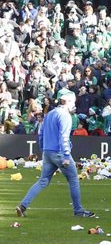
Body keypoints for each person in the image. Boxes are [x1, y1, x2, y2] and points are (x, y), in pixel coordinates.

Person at [16, 88, 96, 218]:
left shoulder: (50, 114)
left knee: (43, 181)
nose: (74, 104)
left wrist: (43, 150)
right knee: (73, 179)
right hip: (59, 153)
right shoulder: (65, 116)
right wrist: (65, 155)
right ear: (67, 101)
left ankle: (23, 205)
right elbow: (64, 137)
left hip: (48, 152)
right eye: (73, 101)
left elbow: (40, 133)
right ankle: (78, 211)